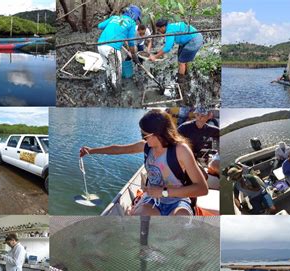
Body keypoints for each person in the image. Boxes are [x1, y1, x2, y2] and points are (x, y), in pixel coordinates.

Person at [80, 109, 208, 216]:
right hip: (151, 200)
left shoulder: (181, 150)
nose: (142, 138)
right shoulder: (146, 146)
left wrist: (163, 192)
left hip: (177, 201)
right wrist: (91, 151)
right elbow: (119, 149)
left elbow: (202, 189)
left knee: (181, 219)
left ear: (159, 134)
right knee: (140, 219)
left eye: (144, 135)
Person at [97, 5, 142, 90]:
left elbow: (100, 26)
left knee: (108, 69)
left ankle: (108, 87)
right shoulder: (131, 23)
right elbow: (131, 42)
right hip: (111, 49)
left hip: (100, 45)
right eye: (136, 19)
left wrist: (113, 26)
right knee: (117, 73)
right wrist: (134, 57)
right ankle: (117, 95)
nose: (136, 21)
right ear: (134, 16)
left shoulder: (114, 17)